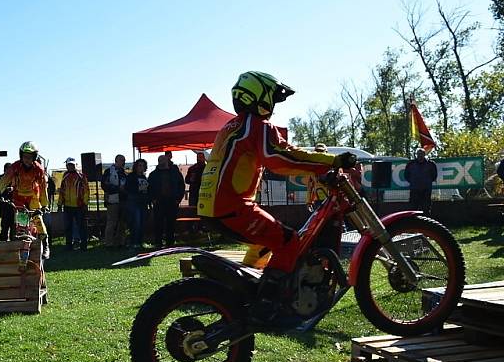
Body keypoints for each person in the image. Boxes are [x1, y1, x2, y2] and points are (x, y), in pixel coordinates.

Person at [197, 71, 356, 321]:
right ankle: (269, 304)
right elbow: (281, 158)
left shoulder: (232, 126)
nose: (273, 106)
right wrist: (333, 160)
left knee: (270, 238)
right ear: (260, 97)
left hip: (214, 206)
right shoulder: (256, 125)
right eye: (273, 98)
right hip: (232, 206)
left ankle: (257, 291)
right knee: (289, 241)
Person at [0, 141, 50, 258]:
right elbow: (6, 178)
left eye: (30, 157)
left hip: (33, 197)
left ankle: (45, 245)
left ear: (34, 157)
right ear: (21, 156)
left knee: (38, 221)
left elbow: (43, 187)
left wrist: (44, 205)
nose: (27, 159)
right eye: (25, 157)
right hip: (18, 198)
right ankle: (19, 249)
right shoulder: (15, 166)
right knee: (20, 226)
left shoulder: (38, 169)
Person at [148, 154, 185, 248]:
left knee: (171, 222)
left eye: (163, 160)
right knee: (158, 222)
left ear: (167, 161)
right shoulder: (153, 174)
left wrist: (178, 199)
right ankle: (158, 242)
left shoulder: (175, 173)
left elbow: (181, 186)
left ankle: (170, 242)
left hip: (172, 201)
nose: (161, 162)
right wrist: (153, 199)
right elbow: (149, 188)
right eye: (159, 161)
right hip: (159, 201)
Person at [57, 157, 90, 251]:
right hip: (67, 206)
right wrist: (59, 204)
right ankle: (68, 246)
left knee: (81, 227)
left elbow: (86, 191)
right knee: (68, 227)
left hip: (79, 206)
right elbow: (62, 191)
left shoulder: (81, 176)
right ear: (66, 165)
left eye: (72, 165)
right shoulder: (65, 176)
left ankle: (83, 246)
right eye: (69, 165)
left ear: (76, 165)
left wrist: (85, 203)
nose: (71, 166)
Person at [102, 154, 127, 247]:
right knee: (111, 222)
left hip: (123, 200)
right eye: (121, 160)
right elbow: (104, 185)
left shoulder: (123, 173)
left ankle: (121, 242)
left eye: (124, 161)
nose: (123, 162)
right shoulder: (108, 171)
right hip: (112, 200)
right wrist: (117, 188)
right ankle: (109, 243)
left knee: (122, 223)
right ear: (116, 161)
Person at [404, 148, 438, 215]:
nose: (420, 156)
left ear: (424, 154)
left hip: (426, 190)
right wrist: (413, 182)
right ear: (416, 155)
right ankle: (413, 223)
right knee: (413, 208)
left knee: (426, 208)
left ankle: (426, 222)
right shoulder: (410, 164)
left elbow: (434, 176)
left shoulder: (431, 164)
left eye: (421, 154)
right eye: (419, 154)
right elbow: (406, 175)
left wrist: (427, 182)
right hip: (414, 189)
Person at [125, 158, 150, 249]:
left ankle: (140, 241)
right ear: (136, 167)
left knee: (142, 223)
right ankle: (134, 242)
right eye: (139, 165)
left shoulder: (144, 177)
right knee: (136, 222)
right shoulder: (131, 177)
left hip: (143, 203)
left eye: (143, 166)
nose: (141, 167)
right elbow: (127, 189)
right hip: (134, 202)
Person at [0, 163, 16, 241]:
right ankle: (3, 244)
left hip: (14, 206)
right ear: (5, 170)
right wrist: (3, 192)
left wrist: (12, 189)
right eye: (8, 170)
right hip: (4, 205)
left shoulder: (15, 178)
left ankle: (13, 243)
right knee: (4, 226)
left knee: (14, 226)